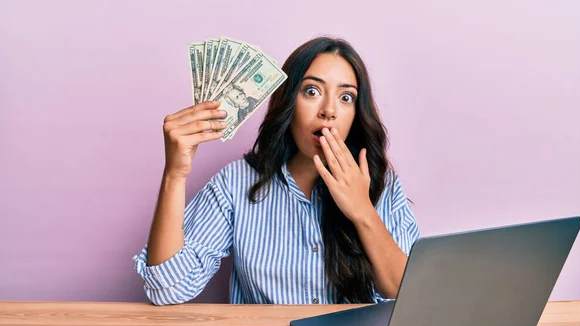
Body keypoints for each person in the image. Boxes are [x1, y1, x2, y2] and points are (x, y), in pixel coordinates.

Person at [132, 36, 421, 305]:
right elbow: (166, 290)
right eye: (312, 91)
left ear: (357, 113)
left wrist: (362, 211)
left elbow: (407, 296)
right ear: (288, 103)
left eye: (346, 97)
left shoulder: (382, 185)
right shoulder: (235, 183)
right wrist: (175, 173)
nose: (329, 110)